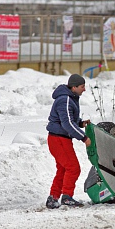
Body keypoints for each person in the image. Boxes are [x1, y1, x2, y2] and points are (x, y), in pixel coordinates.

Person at [45, 74, 91, 209]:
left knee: (63, 169)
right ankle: (67, 197)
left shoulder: (70, 98)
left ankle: (53, 198)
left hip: (58, 138)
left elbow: (69, 120)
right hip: (59, 139)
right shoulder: (65, 99)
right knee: (73, 168)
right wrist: (83, 137)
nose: (84, 89)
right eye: (82, 87)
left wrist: (81, 124)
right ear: (74, 87)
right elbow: (67, 124)